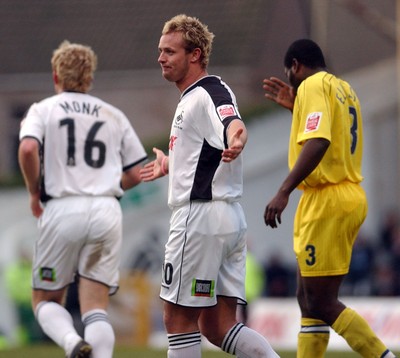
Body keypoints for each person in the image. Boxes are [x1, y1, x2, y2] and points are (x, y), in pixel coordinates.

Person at [140, 14, 279, 358]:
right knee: (219, 327)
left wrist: (237, 137)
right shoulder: (192, 98)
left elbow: (232, 123)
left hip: (199, 220)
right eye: (160, 50)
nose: (161, 57)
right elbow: (205, 151)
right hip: (227, 220)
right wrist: (171, 164)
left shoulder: (208, 92)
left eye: (170, 51)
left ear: (195, 54)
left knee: (177, 319)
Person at [263, 39, 396, 358]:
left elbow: (320, 139)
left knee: (321, 302)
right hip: (345, 194)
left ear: (295, 65)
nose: (292, 83)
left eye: (289, 74)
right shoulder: (343, 88)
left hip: (327, 198)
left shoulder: (311, 85)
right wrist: (298, 108)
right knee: (308, 300)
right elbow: (334, 132)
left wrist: (284, 190)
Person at [18, 40, 147, 358]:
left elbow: (28, 149)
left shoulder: (43, 109)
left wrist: (35, 190)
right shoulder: (112, 114)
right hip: (106, 209)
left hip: (63, 207)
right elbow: (136, 173)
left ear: (55, 76)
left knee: (45, 300)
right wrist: (103, 185)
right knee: (95, 307)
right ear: (90, 78)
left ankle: (71, 342)